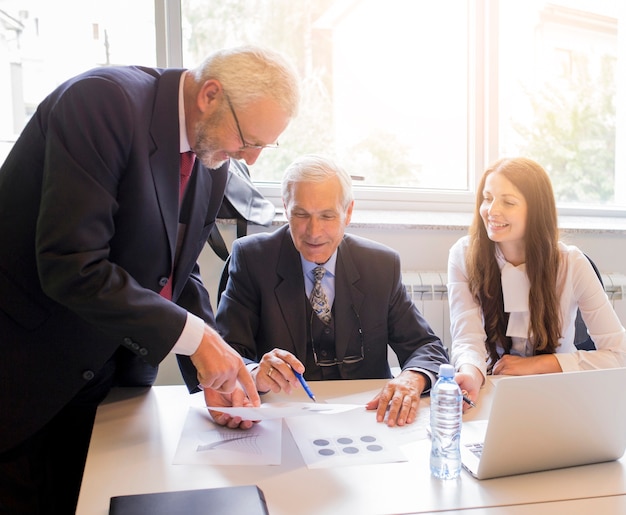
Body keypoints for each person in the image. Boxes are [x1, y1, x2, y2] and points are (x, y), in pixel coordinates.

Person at [0, 45, 300, 514]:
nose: (252, 159)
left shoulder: (212, 156)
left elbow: (180, 274)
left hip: (109, 374)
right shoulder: (102, 103)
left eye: (265, 146)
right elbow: (71, 264)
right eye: (248, 140)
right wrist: (197, 341)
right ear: (210, 94)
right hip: (29, 370)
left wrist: (215, 371)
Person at [184, 154, 449, 429]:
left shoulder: (381, 265)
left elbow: (425, 346)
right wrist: (254, 373)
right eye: (301, 214)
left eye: (327, 216)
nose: (314, 231)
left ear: (348, 212)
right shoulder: (252, 259)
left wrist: (412, 378)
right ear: (286, 208)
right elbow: (227, 351)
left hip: (365, 420)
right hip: (282, 421)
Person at [448, 157, 626, 409]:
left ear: (536, 210)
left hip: (559, 393)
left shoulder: (571, 263)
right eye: (487, 198)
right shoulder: (463, 255)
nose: (492, 210)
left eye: (508, 201)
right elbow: (468, 339)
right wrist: (470, 373)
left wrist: (539, 364)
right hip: (491, 388)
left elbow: (619, 354)